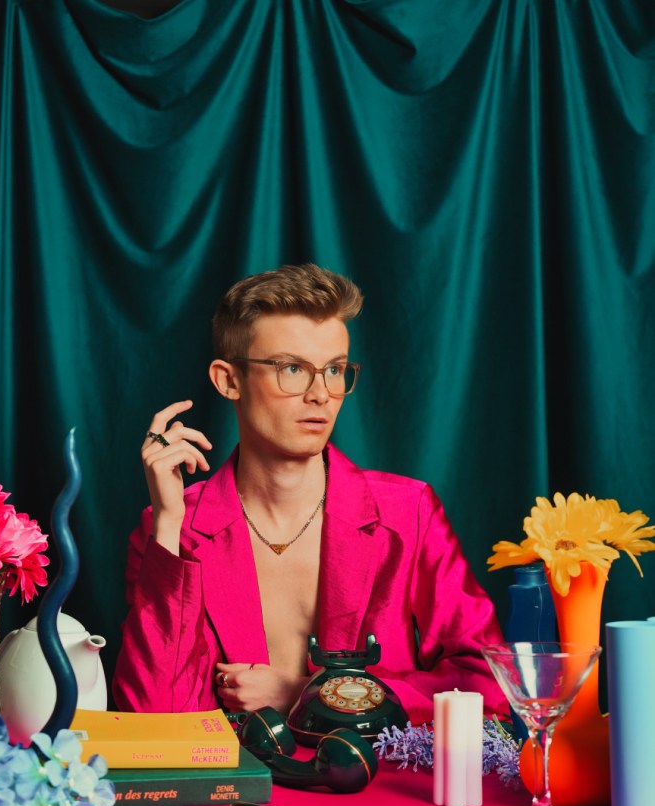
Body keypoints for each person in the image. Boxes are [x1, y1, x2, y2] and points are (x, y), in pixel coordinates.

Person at [112, 263, 504, 722]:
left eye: (334, 369)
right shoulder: (170, 529)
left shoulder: (407, 512)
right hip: (238, 772)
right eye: (293, 368)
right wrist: (167, 523)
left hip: (375, 769)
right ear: (228, 380)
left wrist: (308, 694)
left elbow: (486, 683)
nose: (321, 394)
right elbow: (157, 718)